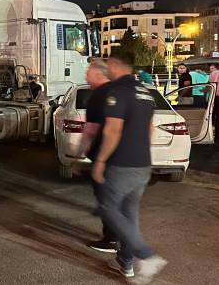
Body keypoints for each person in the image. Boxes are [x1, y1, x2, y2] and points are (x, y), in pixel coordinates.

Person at [92, 51, 168, 283]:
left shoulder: (118, 91)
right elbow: (150, 129)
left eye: (108, 65)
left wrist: (100, 160)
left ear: (115, 65)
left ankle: (146, 255)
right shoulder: (145, 92)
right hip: (143, 164)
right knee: (129, 213)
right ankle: (125, 262)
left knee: (108, 209)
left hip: (122, 163)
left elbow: (112, 130)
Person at [77, 59, 119, 253]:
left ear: (99, 74)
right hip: (122, 157)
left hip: (104, 156)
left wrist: (82, 154)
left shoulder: (98, 96)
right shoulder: (118, 91)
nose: (86, 76)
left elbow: (91, 131)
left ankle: (111, 239)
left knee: (106, 197)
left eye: (88, 72)